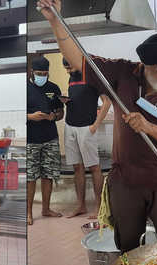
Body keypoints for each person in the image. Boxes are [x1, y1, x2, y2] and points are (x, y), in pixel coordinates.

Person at [38, 0, 157, 254]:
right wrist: (54, 19)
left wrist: (149, 127)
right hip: (126, 180)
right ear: (145, 66)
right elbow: (78, 58)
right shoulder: (122, 73)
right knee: (127, 245)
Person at [59, 57, 111, 219]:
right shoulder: (71, 78)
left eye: (70, 68)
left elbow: (107, 102)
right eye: (66, 69)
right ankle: (80, 205)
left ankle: (98, 206)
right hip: (70, 125)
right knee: (77, 167)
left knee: (94, 167)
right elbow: (82, 100)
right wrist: (66, 101)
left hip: (87, 128)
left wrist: (95, 125)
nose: (69, 71)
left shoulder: (93, 77)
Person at [27, 56, 65, 225]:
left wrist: (53, 117)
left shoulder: (53, 87)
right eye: (39, 73)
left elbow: (60, 112)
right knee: (31, 177)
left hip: (50, 138)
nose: (42, 76)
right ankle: (28, 212)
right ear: (32, 72)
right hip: (31, 140)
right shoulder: (24, 88)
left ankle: (46, 208)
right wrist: (30, 116)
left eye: (45, 73)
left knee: (48, 174)